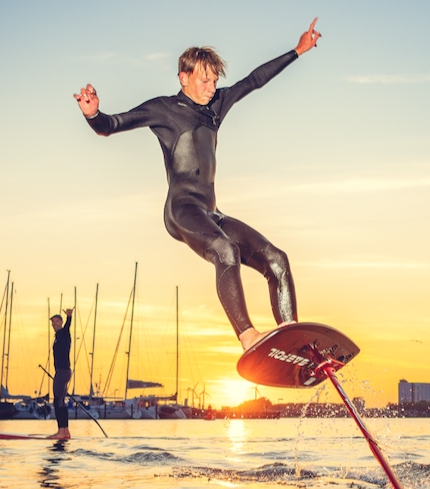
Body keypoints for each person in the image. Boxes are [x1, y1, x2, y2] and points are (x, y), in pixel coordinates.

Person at [73, 20, 322, 351]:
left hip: (211, 212)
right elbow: (111, 125)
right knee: (225, 250)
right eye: (205, 80)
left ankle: (293, 342)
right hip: (181, 210)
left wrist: (298, 51)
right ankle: (248, 336)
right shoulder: (163, 109)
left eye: (215, 80)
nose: (211, 87)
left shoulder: (216, 106)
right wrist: (93, 115)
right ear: (184, 77)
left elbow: (254, 81)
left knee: (277, 260)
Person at [49, 308, 73, 439]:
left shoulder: (64, 333)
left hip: (62, 372)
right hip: (63, 371)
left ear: (61, 322)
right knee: (60, 402)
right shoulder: (57, 337)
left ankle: (61, 431)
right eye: (53, 322)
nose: (54, 324)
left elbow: (68, 326)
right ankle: (65, 432)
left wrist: (69, 317)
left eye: (57, 321)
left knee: (57, 401)